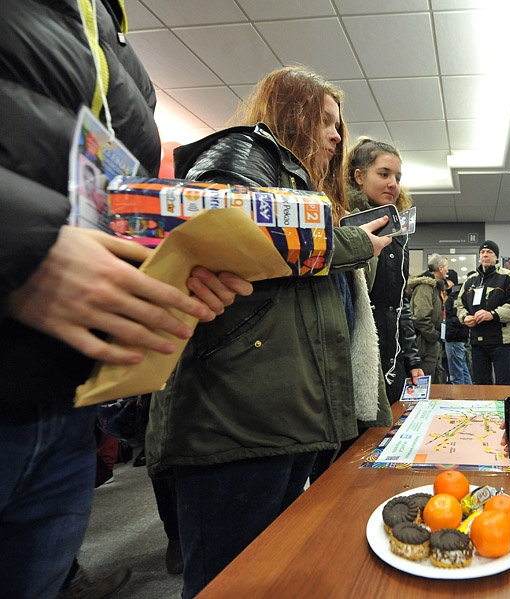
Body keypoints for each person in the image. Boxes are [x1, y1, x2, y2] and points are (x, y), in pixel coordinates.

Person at [0, 4, 250, 598]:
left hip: (65, 396)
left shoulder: (118, 45)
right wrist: (25, 247)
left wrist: (168, 266)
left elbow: (114, 200)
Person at [145, 66, 392, 598]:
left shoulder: (299, 184)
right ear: (291, 112)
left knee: (269, 573)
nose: (335, 136)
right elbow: (225, 233)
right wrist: (351, 246)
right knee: (228, 582)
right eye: (325, 121)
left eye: (338, 125)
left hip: (277, 414)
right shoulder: (239, 154)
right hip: (235, 419)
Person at [346, 138, 425, 402]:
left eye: (398, 177)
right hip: (353, 354)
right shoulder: (341, 222)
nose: (394, 183)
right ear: (358, 176)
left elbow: (400, 303)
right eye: (384, 174)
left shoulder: (398, 234)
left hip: (393, 358)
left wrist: (412, 359)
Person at [456, 241, 510, 385]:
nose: (485, 255)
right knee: (481, 387)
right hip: (477, 342)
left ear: (497, 258)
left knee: (504, 386)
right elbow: (459, 305)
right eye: (482, 252)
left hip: (502, 342)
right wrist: (465, 317)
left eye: (489, 252)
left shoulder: (507, 277)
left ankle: (506, 408)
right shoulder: (470, 281)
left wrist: (492, 314)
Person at [408, 253, 449, 380]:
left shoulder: (435, 288)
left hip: (430, 343)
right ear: (441, 268)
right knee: (427, 382)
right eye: (447, 267)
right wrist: (434, 336)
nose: (448, 270)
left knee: (437, 377)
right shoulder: (425, 287)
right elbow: (420, 317)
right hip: (425, 346)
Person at [443, 270, 473, 384]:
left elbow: (455, 318)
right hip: (458, 337)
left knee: (456, 374)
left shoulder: (455, 296)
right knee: (463, 370)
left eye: (447, 280)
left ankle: (460, 399)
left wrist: (448, 332)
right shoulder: (455, 294)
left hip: (454, 337)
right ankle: (468, 396)